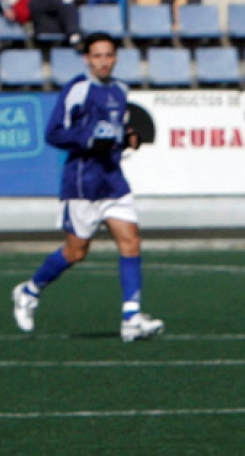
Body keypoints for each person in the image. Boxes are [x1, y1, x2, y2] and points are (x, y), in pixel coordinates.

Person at [10, 33, 165, 343]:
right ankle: (29, 291)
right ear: (87, 59)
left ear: (116, 57)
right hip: (83, 181)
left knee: (131, 241)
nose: (104, 61)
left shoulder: (121, 90)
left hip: (113, 179)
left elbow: (116, 130)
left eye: (109, 55)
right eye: (97, 56)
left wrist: (126, 138)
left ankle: (131, 317)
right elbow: (54, 133)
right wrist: (88, 139)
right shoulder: (78, 89)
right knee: (76, 252)